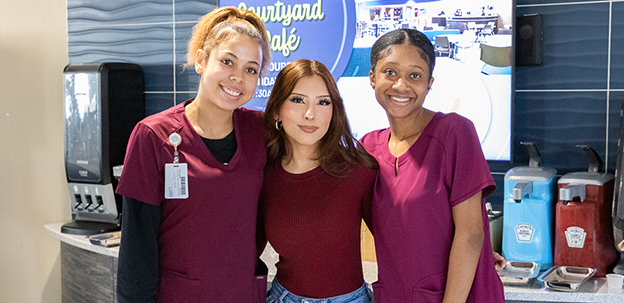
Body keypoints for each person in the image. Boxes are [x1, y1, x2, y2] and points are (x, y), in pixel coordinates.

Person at [115, 7, 271, 302]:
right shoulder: (153, 136)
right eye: (228, 62)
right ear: (201, 60)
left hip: (242, 292)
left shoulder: (260, 132)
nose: (238, 77)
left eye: (251, 69)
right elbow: (137, 250)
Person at [359, 28, 505, 302]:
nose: (401, 85)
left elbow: (471, 234)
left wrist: (479, 252)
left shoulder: (454, 133)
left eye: (414, 75)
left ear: (429, 83)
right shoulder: (368, 149)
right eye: (390, 72)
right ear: (372, 78)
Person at [257, 59, 378, 303]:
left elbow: (399, 246)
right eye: (298, 100)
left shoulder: (359, 170)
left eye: (323, 102)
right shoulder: (262, 175)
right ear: (277, 109)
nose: (310, 114)